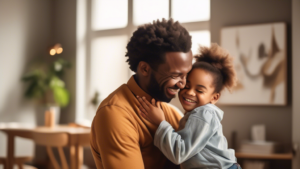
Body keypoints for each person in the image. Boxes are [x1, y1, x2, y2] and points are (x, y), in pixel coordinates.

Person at [90, 18, 193, 169]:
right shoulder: (115, 114)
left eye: (186, 75)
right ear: (145, 69)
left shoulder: (172, 114)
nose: (183, 84)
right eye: (175, 75)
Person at [137, 43, 242, 169]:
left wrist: (160, 122)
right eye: (187, 86)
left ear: (214, 98)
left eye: (199, 90)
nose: (190, 92)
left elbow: (179, 153)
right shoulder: (194, 114)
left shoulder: (204, 114)